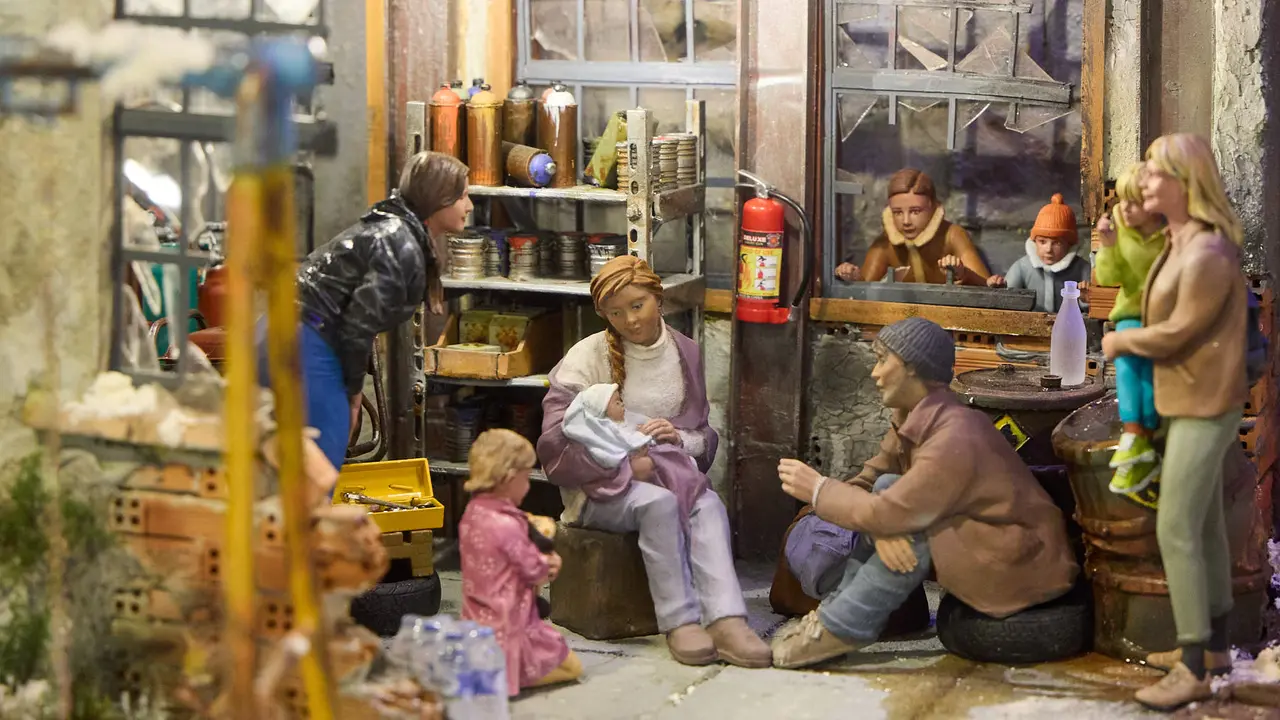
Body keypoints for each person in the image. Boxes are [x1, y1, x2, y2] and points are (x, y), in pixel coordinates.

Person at [771, 317, 1078, 669]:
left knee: (907, 526)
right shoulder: (914, 420)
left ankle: (844, 627)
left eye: (883, 360)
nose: (875, 373)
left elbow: (892, 512)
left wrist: (818, 489)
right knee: (891, 493)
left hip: (1021, 574)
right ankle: (839, 611)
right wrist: (871, 522)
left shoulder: (953, 436)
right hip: (989, 549)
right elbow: (877, 481)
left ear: (914, 369)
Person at [537, 256, 771, 668]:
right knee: (657, 505)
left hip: (672, 474)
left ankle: (726, 620)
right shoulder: (586, 358)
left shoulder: (686, 354)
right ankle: (679, 620)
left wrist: (678, 438)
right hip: (600, 489)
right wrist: (625, 469)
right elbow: (554, 445)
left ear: (658, 300)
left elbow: (703, 434)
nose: (628, 320)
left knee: (709, 507)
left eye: (637, 305)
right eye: (615, 312)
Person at [1101, 133, 1248, 711]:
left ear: (1185, 183)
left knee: (1177, 527)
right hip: (1186, 398)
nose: (1146, 179)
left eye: (1156, 172)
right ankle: (1211, 652)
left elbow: (1181, 330)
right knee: (1205, 526)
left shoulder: (1207, 253)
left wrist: (1122, 339)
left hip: (1204, 403)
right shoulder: (1176, 240)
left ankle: (1191, 666)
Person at [258, 151, 471, 474]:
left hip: (283, 332)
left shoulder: (393, 229)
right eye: (463, 195)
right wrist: (353, 395)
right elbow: (358, 324)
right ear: (440, 198)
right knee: (314, 474)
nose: (469, 206)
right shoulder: (400, 244)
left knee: (280, 473)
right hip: (305, 342)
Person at [459, 429, 582, 696]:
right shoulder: (506, 525)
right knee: (572, 667)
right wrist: (549, 560)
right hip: (509, 619)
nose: (528, 486)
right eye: (526, 478)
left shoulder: (473, 512)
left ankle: (498, 673)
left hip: (479, 613)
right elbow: (535, 570)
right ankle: (505, 679)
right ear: (508, 478)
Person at [1094, 163, 1168, 494]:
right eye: (1122, 200)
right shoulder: (1122, 227)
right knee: (1126, 367)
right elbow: (1109, 279)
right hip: (1130, 314)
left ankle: (1147, 434)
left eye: (1133, 202)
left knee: (1151, 370)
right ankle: (1133, 430)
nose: (1124, 208)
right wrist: (1108, 245)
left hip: (1164, 316)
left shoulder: (1170, 234)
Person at [835, 168, 989, 285]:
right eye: (898, 212)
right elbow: (866, 288)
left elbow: (986, 285)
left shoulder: (952, 235)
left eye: (915, 212)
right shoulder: (885, 244)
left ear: (933, 207)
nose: (906, 221)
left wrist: (962, 274)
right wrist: (853, 277)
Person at [986, 194, 1092, 313]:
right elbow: (1009, 298)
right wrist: (999, 289)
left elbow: (1093, 306)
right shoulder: (1023, 267)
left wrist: (1085, 299)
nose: (1048, 249)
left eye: (1057, 243)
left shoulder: (1082, 268)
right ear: (1035, 241)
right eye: (1042, 242)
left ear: (1069, 244)